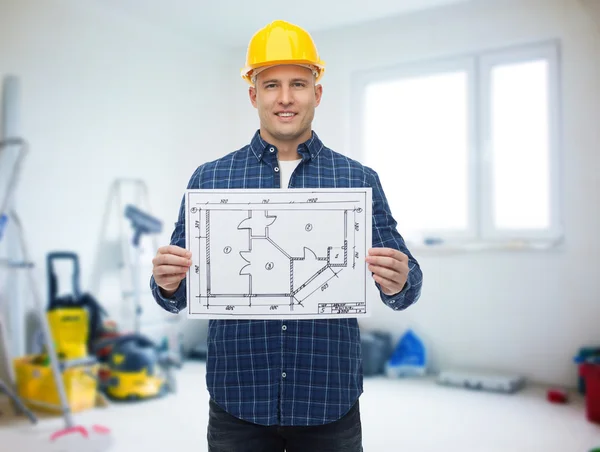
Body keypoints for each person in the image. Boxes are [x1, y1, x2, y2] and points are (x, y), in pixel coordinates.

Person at [150, 19, 423, 452]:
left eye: (298, 83)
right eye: (270, 84)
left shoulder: (356, 179)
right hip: (238, 397)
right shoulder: (210, 179)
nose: (285, 98)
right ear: (253, 94)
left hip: (327, 398)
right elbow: (175, 292)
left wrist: (402, 279)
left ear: (317, 92)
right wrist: (166, 283)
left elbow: (406, 286)